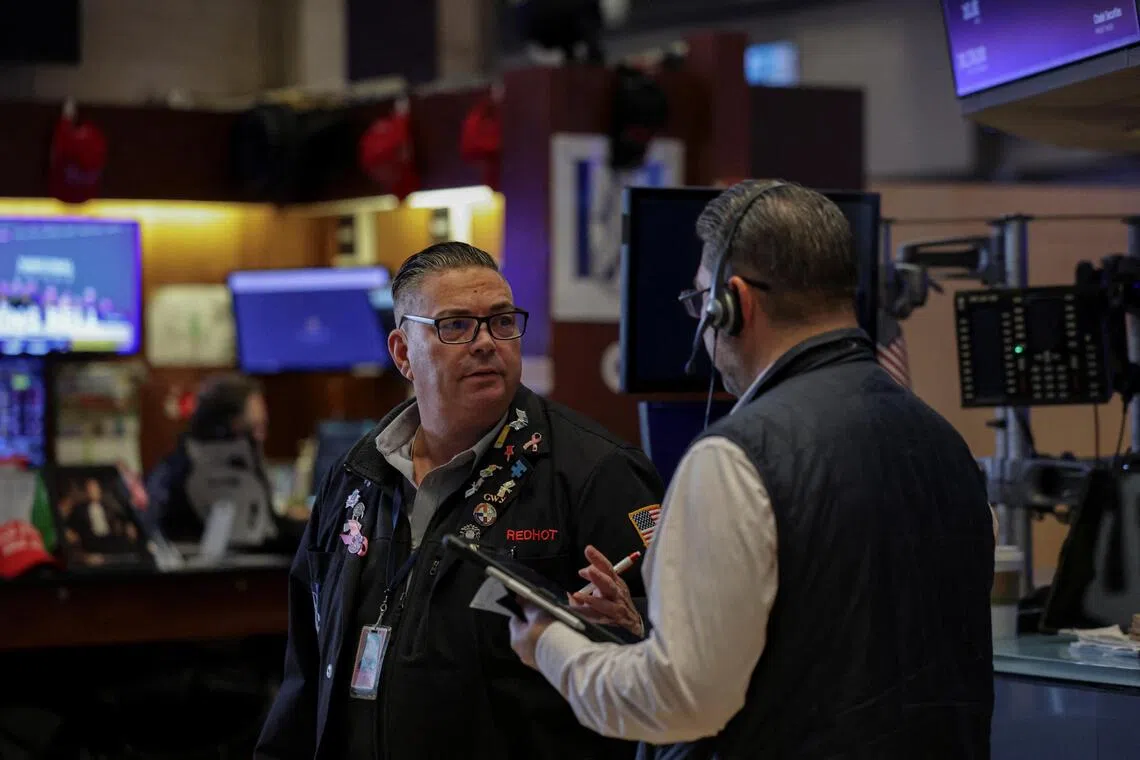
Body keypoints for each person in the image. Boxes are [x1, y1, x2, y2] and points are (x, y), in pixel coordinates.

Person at [509, 180, 998, 759]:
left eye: (699, 303)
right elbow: (846, 646)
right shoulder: (946, 442)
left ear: (733, 303)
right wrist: (651, 628)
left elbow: (680, 701)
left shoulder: (734, 459)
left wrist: (550, 645)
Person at [255, 242, 664, 760]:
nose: (486, 343)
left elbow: (672, 660)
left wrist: (634, 628)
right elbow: (307, 669)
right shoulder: (355, 477)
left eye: (501, 321)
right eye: (455, 326)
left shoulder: (595, 472)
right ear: (403, 352)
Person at [145, 373, 281, 545]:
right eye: (254, 428)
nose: (261, 437)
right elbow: (250, 541)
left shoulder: (176, 463)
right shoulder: (208, 473)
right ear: (224, 428)